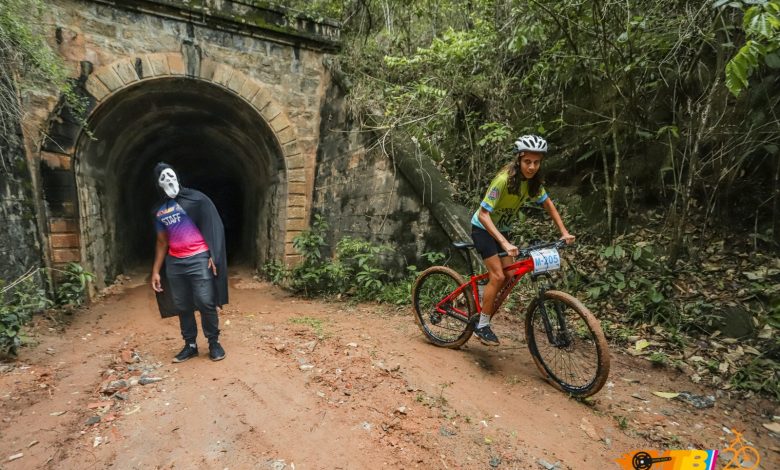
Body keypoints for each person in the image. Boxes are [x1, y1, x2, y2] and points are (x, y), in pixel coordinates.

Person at [470, 135, 575, 346]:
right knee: (498, 276)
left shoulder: (533, 183)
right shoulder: (503, 180)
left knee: (510, 274)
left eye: (537, 162)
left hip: (503, 231)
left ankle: (484, 289)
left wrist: (564, 232)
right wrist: (504, 243)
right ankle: (481, 326)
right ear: (519, 159)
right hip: (483, 228)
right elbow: (483, 214)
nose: (532, 167)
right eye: (528, 162)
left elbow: (548, 205)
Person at [150, 163, 228, 362]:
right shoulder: (160, 211)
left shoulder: (196, 199)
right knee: (182, 305)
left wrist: (214, 255)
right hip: (175, 263)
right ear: (158, 184)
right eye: (162, 178)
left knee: (205, 301)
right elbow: (162, 241)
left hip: (199, 258)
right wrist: (156, 271)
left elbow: (212, 224)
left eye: (170, 175)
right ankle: (190, 345)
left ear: (177, 176)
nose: (168, 179)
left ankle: (213, 342)